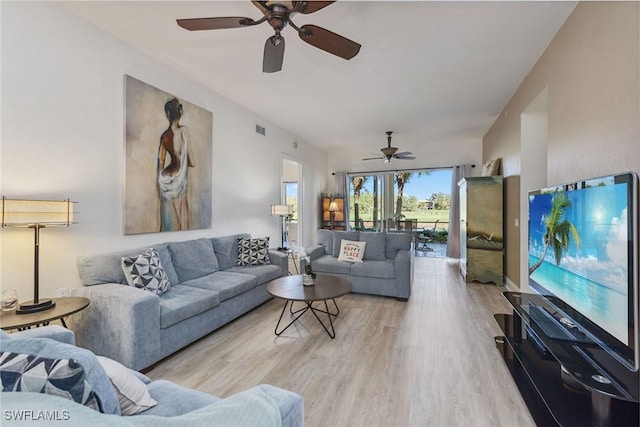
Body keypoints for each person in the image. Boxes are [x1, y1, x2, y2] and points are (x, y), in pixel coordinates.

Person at [157, 97, 194, 231]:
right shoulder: (184, 131)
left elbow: (160, 162)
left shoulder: (164, 136)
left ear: (167, 114)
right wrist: (184, 160)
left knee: (167, 219)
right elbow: (193, 162)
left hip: (165, 179)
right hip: (179, 179)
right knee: (182, 216)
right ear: (180, 114)